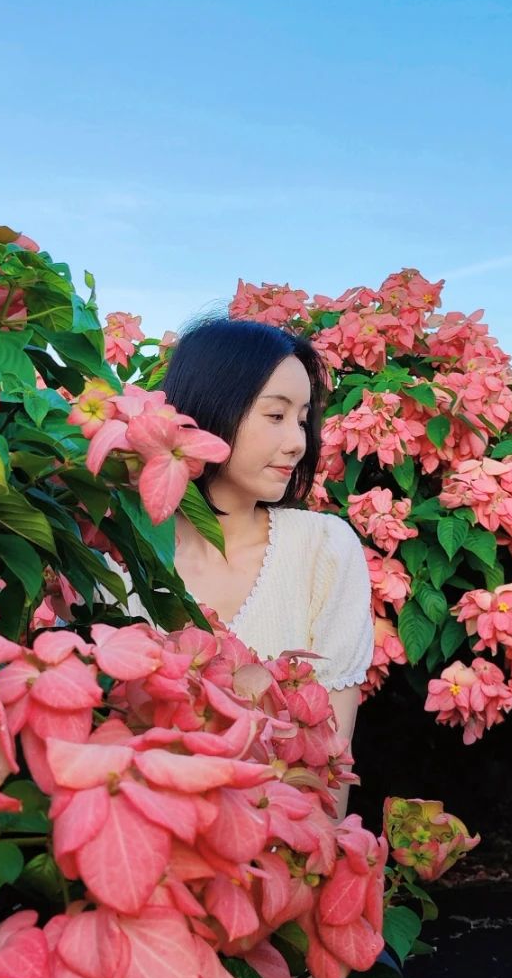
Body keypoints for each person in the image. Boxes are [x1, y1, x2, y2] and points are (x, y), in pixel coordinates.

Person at [127, 316, 374, 816]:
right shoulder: (119, 557)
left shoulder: (323, 551)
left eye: (302, 418)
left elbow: (330, 769)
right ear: (213, 409)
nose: (299, 442)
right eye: (276, 415)